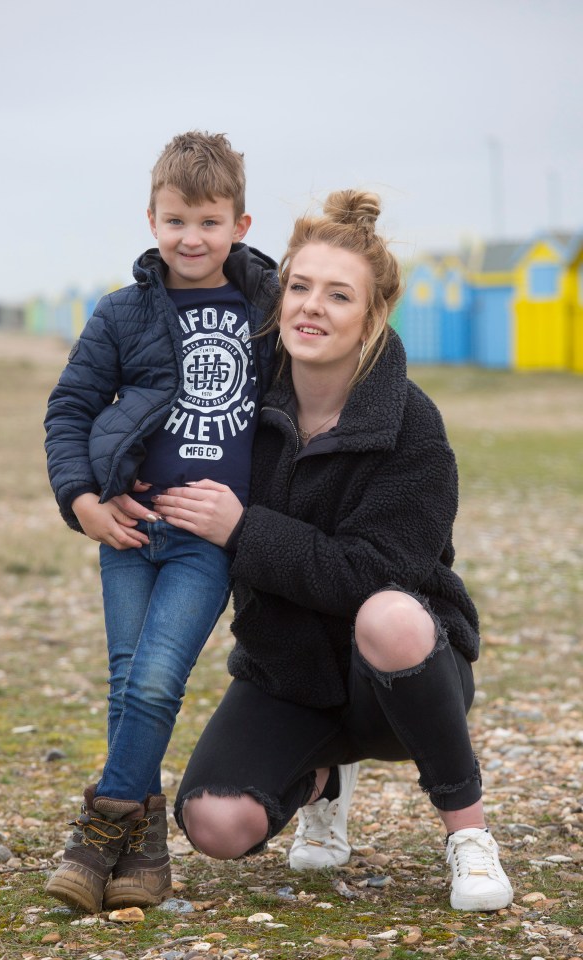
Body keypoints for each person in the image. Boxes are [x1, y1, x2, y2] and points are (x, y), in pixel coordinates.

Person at [149, 189, 514, 912]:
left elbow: (377, 573)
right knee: (215, 824)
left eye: (338, 294)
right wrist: (99, 488)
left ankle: (469, 837)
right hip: (287, 673)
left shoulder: (411, 426)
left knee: (390, 614)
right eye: (300, 287)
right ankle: (321, 779)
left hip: (399, 677)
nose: (311, 307)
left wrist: (242, 529)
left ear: (372, 317)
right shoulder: (241, 403)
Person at [43, 132, 278, 913]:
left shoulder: (267, 313)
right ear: (151, 219)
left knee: (153, 682)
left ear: (240, 224)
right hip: (130, 531)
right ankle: (142, 859)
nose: (192, 238)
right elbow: (71, 408)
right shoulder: (122, 314)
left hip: (206, 541)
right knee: (125, 684)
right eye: (176, 220)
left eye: (210, 221)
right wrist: (83, 500)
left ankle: (95, 833)